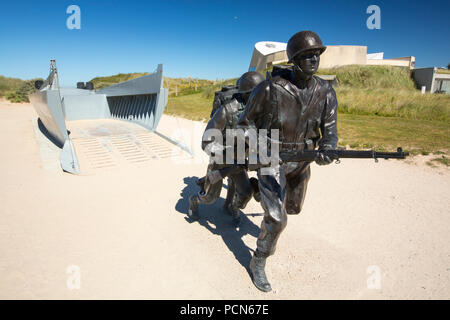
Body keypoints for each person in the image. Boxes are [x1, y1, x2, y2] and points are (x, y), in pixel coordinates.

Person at [237, 31, 338, 292]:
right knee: (277, 219)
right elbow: (244, 124)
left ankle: (259, 190)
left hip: (302, 161)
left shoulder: (325, 90)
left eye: (316, 54)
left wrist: (328, 147)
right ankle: (258, 260)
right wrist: (263, 149)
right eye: (306, 55)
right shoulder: (270, 88)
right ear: (294, 59)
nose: (313, 59)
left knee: (293, 208)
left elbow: (330, 128)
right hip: (272, 159)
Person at [188, 72, 265, 225]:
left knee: (245, 192)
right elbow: (206, 141)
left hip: (240, 162)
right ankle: (193, 202)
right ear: (248, 93)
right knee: (210, 198)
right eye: (258, 93)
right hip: (221, 162)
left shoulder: (259, 111)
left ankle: (233, 207)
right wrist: (226, 154)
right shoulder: (227, 111)